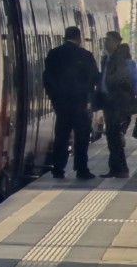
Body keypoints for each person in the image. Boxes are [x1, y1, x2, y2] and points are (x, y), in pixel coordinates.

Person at [42, 25, 100, 180]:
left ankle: (58, 169)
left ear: (65, 36)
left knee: (61, 137)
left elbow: (47, 78)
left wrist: (54, 98)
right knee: (81, 138)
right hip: (81, 103)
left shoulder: (54, 54)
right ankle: (81, 170)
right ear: (78, 37)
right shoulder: (85, 55)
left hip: (61, 104)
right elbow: (95, 77)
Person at [99, 31, 135, 178]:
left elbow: (123, 81)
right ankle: (115, 168)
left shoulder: (118, 59)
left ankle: (121, 169)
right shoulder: (107, 58)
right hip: (108, 103)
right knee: (112, 137)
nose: (105, 42)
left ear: (115, 42)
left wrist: (115, 97)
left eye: (107, 39)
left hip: (116, 104)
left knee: (115, 138)